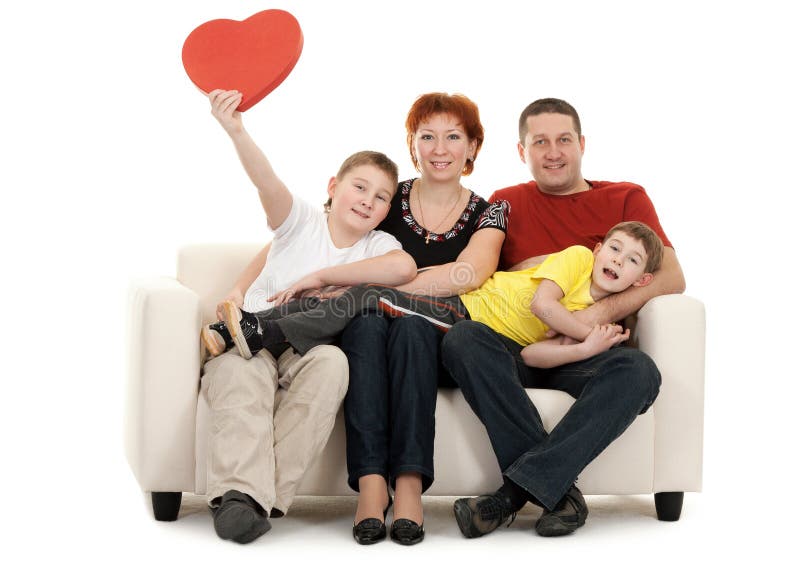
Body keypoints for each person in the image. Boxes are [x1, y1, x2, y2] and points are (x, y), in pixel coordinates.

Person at [443, 97, 686, 539]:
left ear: (582, 144)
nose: (552, 151)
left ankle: (511, 497)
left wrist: (596, 317)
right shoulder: (506, 201)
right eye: (540, 142)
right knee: (462, 339)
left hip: (591, 353)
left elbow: (672, 274)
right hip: (519, 347)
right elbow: (492, 275)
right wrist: (536, 269)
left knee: (640, 372)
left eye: (563, 140)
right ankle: (557, 493)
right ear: (522, 151)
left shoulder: (625, 197)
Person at [198, 89, 417, 544]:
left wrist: (321, 277)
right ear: (333, 187)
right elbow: (267, 183)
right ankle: (242, 500)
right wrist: (237, 131)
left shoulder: (379, 247)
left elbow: (404, 269)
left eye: (381, 198)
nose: (368, 201)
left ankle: (255, 498)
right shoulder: (300, 221)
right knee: (242, 378)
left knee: (338, 361)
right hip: (247, 339)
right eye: (359, 187)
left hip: (307, 348)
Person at [339, 93, 508, 546]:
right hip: (367, 335)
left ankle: (410, 485)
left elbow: (469, 273)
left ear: (472, 146)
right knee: (368, 324)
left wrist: (376, 286)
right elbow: (323, 234)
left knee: (411, 326)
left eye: (453, 136)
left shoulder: (489, 211)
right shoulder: (385, 197)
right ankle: (372, 485)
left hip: (433, 344)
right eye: (427, 136)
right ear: (412, 145)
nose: (439, 148)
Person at [213, 222, 663, 370]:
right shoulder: (578, 259)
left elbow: (533, 357)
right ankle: (242, 326)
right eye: (616, 249)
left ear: (641, 281)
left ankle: (261, 331)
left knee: (370, 295)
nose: (618, 261)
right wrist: (583, 330)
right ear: (601, 247)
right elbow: (542, 305)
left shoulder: (589, 315)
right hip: (466, 303)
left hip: (471, 329)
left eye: (632, 262)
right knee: (357, 294)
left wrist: (582, 348)